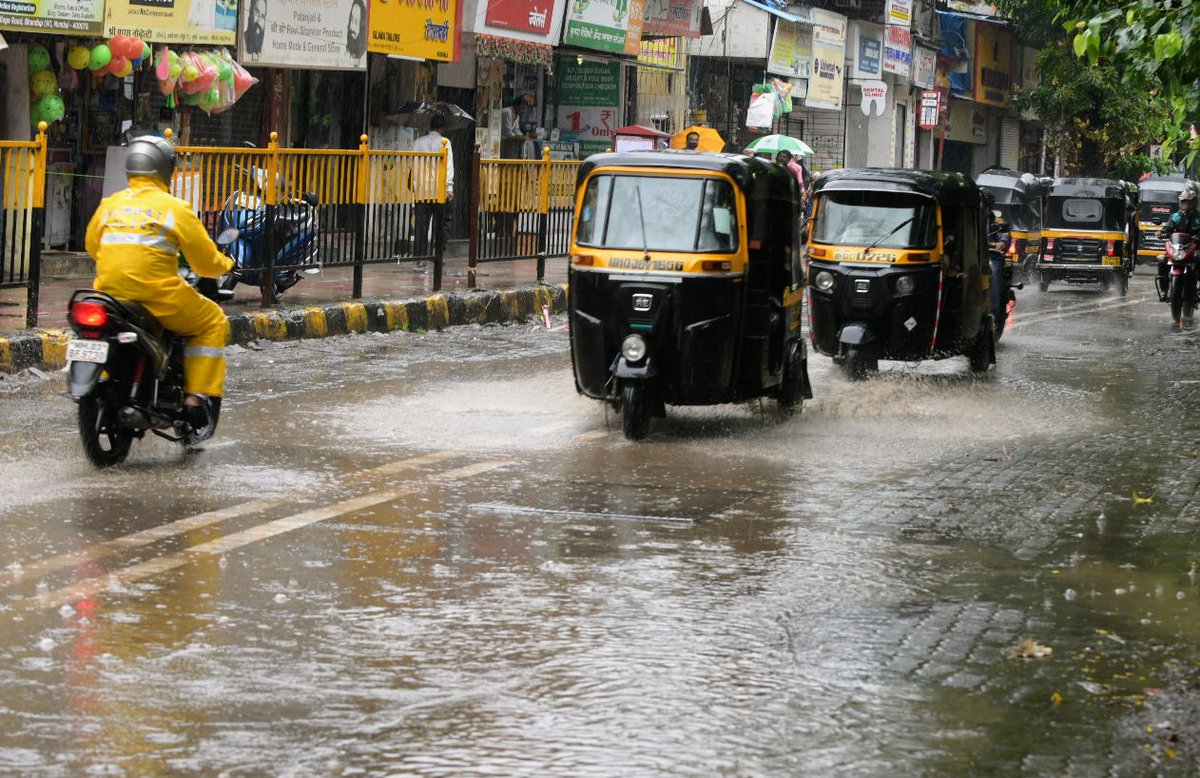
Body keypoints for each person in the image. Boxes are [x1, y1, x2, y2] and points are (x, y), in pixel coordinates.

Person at [84, 136, 234, 431]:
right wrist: (226, 264)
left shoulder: (110, 204)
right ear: (166, 169)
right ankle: (194, 400)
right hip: (156, 296)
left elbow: (92, 246)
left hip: (107, 296)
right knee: (213, 321)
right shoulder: (174, 208)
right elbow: (204, 263)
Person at [411, 113, 455, 263]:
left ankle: (420, 257)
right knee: (442, 223)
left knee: (421, 225)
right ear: (442, 127)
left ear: (430, 126)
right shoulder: (445, 142)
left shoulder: (417, 142)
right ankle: (438, 254)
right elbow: (448, 166)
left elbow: (413, 164)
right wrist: (449, 187)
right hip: (439, 190)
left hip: (422, 190)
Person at [1158, 187, 1200, 301]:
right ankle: (1164, 289)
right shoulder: (1176, 216)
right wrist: (1163, 232)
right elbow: (1168, 227)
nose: (1185, 204)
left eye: (1188, 201)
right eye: (1183, 201)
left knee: (1198, 257)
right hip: (1178, 248)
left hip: (1194, 247)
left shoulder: (1198, 217)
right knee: (1162, 260)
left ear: (1194, 202)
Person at [500, 95, 529, 160]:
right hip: (501, 142)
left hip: (506, 143)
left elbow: (516, 130)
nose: (524, 111)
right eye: (522, 108)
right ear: (516, 106)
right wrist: (522, 137)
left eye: (525, 109)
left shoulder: (517, 116)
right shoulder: (507, 112)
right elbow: (508, 133)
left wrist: (525, 137)